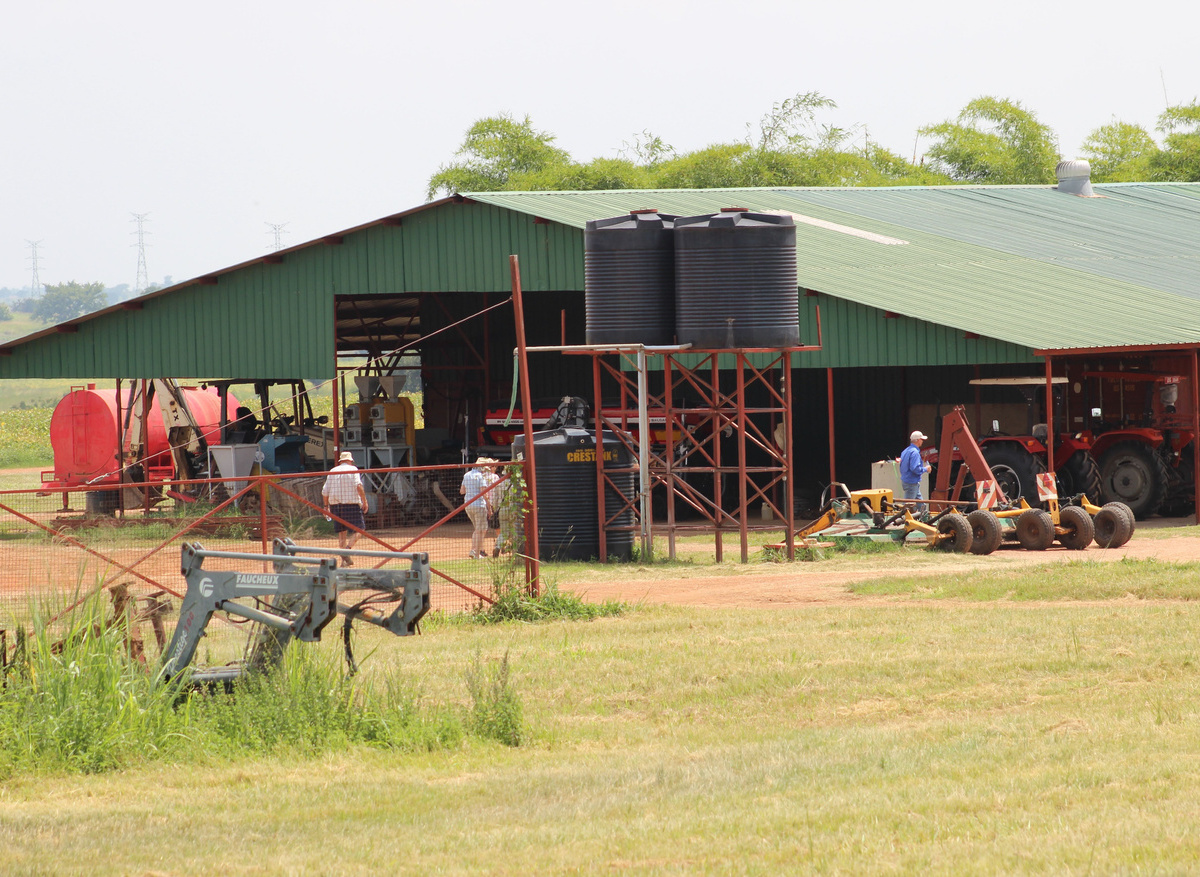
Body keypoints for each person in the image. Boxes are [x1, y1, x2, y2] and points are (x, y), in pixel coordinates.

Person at [322, 450, 368, 566]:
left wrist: (326, 506)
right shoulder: (353, 470)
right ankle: (347, 550)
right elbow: (358, 486)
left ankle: (343, 561)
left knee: (342, 533)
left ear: (340, 461)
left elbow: (325, 491)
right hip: (351, 504)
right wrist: (364, 501)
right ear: (350, 460)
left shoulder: (332, 471)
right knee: (360, 529)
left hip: (335, 506)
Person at [460, 457, 498, 559]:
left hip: (468, 504)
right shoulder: (480, 476)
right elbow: (484, 493)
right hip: (479, 505)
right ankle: (475, 552)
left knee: (478, 529)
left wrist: (471, 489)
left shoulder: (466, 475)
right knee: (480, 529)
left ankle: (476, 551)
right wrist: (489, 508)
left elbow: (462, 491)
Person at [900, 430, 932, 515]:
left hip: (908, 481)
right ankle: (902, 521)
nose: (922, 441)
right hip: (911, 482)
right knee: (907, 506)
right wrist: (926, 469)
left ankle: (925, 517)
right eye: (921, 439)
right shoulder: (915, 453)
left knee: (921, 504)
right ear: (918, 440)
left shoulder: (906, 451)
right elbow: (915, 469)